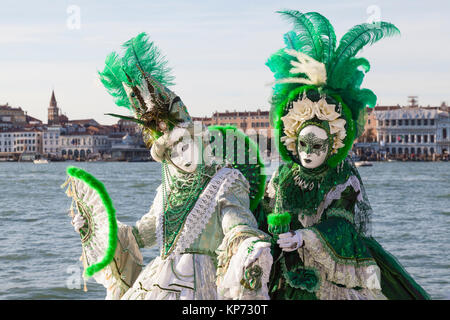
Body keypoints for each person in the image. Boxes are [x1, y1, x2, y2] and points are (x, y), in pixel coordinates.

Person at [63, 32, 272, 300]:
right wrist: (95, 229)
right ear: (167, 157)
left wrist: (248, 244)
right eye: (174, 151)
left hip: (203, 286)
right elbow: (140, 236)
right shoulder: (165, 191)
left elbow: (236, 223)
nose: (184, 155)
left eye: (187, 145)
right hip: (157, 281)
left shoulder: (226, 182)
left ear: (199, 143)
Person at [258, 10, 430, 300]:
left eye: (318, 146)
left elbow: (342, 221)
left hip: (334, 269)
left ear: (333, 145)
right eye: (303, 145)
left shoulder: (342, 176)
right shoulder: (284, 174)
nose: (309, 154)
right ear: (292, 141)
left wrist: (304, 237)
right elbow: (265, 212)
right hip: (284, 269)